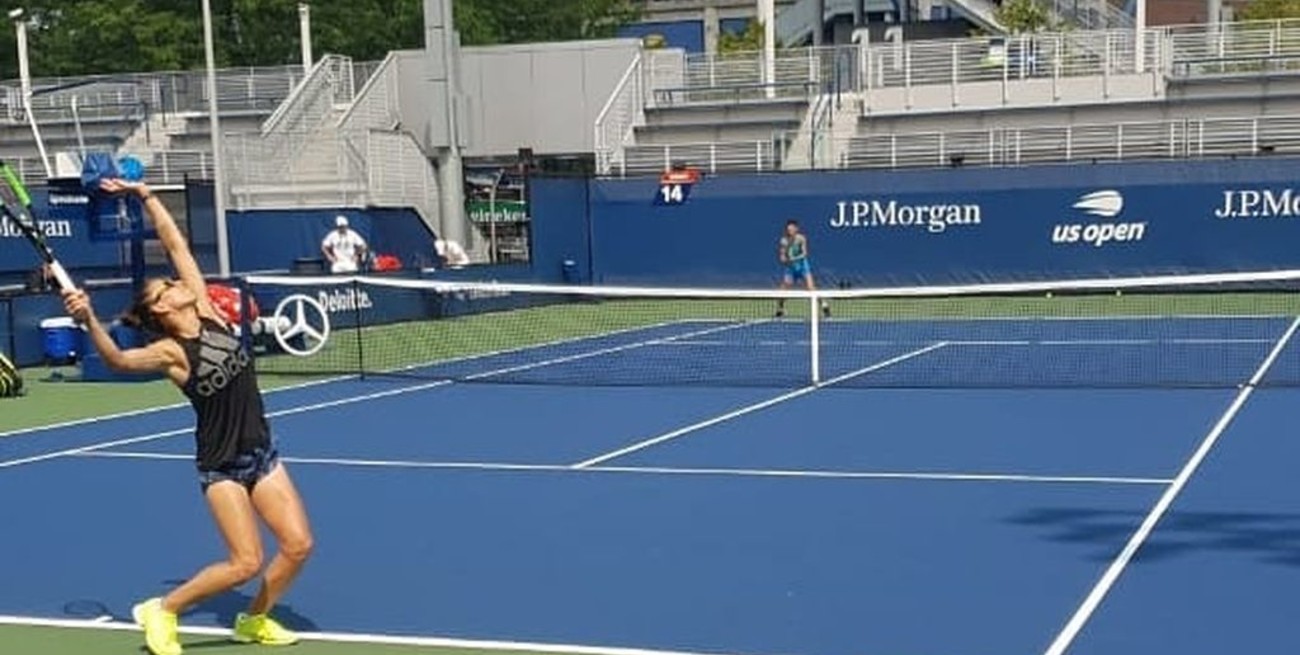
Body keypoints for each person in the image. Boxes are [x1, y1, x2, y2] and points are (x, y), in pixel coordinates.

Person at [61, 179, 313, 655]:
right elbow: (118, 360)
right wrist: (89, 319)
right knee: (245, 562)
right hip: (222, 466)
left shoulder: (209, 312)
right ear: (162, 307)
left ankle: (253, 620)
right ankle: (164, 610)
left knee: (298, 546)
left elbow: (176, 246)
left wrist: (144, 194)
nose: (178, 284)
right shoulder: (171, 353)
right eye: (168, 287)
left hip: (262, 453)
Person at [775, 219, 829, 318]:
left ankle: (824, 305)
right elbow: (782, 255)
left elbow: (804, 253)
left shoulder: (801, 239)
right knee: (783, 289)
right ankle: (780, 309)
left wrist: (794, 258)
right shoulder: (784, 241)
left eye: (792, 229)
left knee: (811, 288)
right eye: (788, 230)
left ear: (796, 229)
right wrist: (784, 259)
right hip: (791, 268)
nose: (790, 231)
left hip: (803, 266)